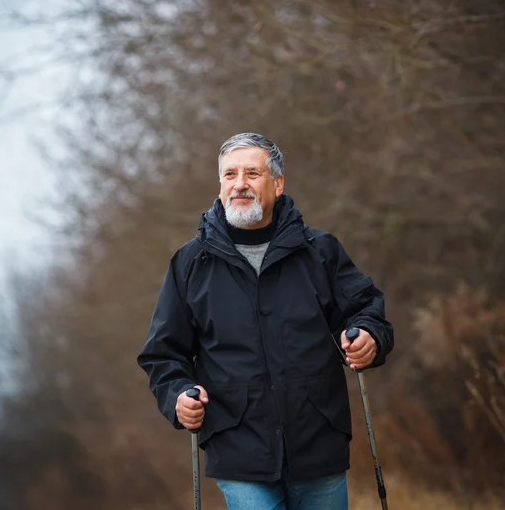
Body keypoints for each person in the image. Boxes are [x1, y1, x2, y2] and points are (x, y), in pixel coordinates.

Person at [137, 133, 394, 510]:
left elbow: (367, 309)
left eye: (252, 173)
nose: (239, 184)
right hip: (237, 447)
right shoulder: (190, 264)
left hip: (319, 441)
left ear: (277, 183)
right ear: (220, 184)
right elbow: (163, 354)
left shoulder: (319, 252)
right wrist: (177, 396)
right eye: (229, 175)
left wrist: (369, 336)